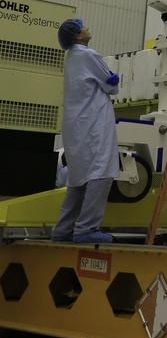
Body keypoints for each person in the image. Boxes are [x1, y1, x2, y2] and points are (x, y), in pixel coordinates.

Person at [52, 17, 120, 244]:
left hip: (75, 125)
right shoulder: (89, 55)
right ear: (78, 35)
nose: (88, 28)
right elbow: (112, 86)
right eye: (83, 26)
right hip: (94, 124)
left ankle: (63, 230)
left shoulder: (70, 58)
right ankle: (86, 229)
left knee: (78, 178)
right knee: (102, 171)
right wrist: (113, 80)